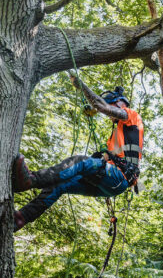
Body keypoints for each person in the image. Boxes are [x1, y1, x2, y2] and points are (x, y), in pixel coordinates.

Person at [12, 76, 143, 231]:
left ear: (120, 104)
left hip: (118, 178)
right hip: (109, 183)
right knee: (60, 185)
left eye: (112, 106)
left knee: (80, 161)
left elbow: (102, 107)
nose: (109, 116)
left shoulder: (132, 116)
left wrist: (83, 87)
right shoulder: (115, 137)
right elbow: (106, 159)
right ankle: (20, 219)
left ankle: (32, 180)